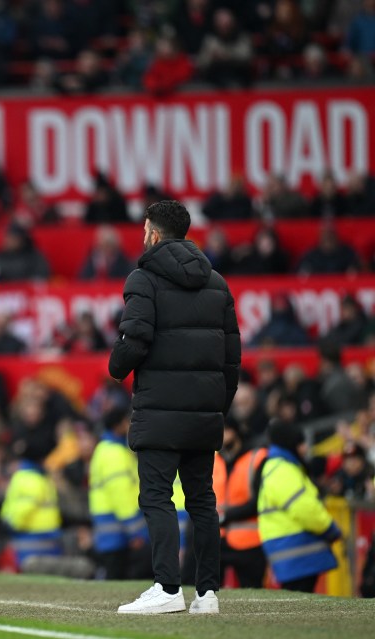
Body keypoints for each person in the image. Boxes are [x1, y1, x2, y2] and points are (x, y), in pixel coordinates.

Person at [109, 200, 240, 615]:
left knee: (157, 498)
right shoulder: (217, 282)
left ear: (152, 232)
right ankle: (207, 594)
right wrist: (216, 406)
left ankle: (167, 588)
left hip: (160, 413)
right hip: (204, 414)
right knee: (202, 500)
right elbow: (231, 359)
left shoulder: (143, 278)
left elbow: (136, 339)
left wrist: (117, 366)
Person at [258, 422, 341, 592]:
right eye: (301, 443)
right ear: (292, 444)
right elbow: (304, 509)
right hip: (296, 549)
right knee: (301, 602)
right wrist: (329, 528)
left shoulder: (276, 466)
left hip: (287, 548)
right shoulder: (284, 469)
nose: (305, 448)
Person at [89, 407, 151, 580]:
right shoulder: (114, 454)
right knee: (116, 578)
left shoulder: (109, 450)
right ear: (119, 425)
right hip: (118, 529)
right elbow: (121, 495)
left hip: (113, 529)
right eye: (127, 421)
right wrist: (135, 531)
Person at [214, 421, 268, 588]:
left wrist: (225, 516)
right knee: (208, 594)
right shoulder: (215, 460)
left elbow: (258, 502)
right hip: (218, 539)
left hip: (249, 541)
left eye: (225, 429)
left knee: (253, 594)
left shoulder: (256, 457)